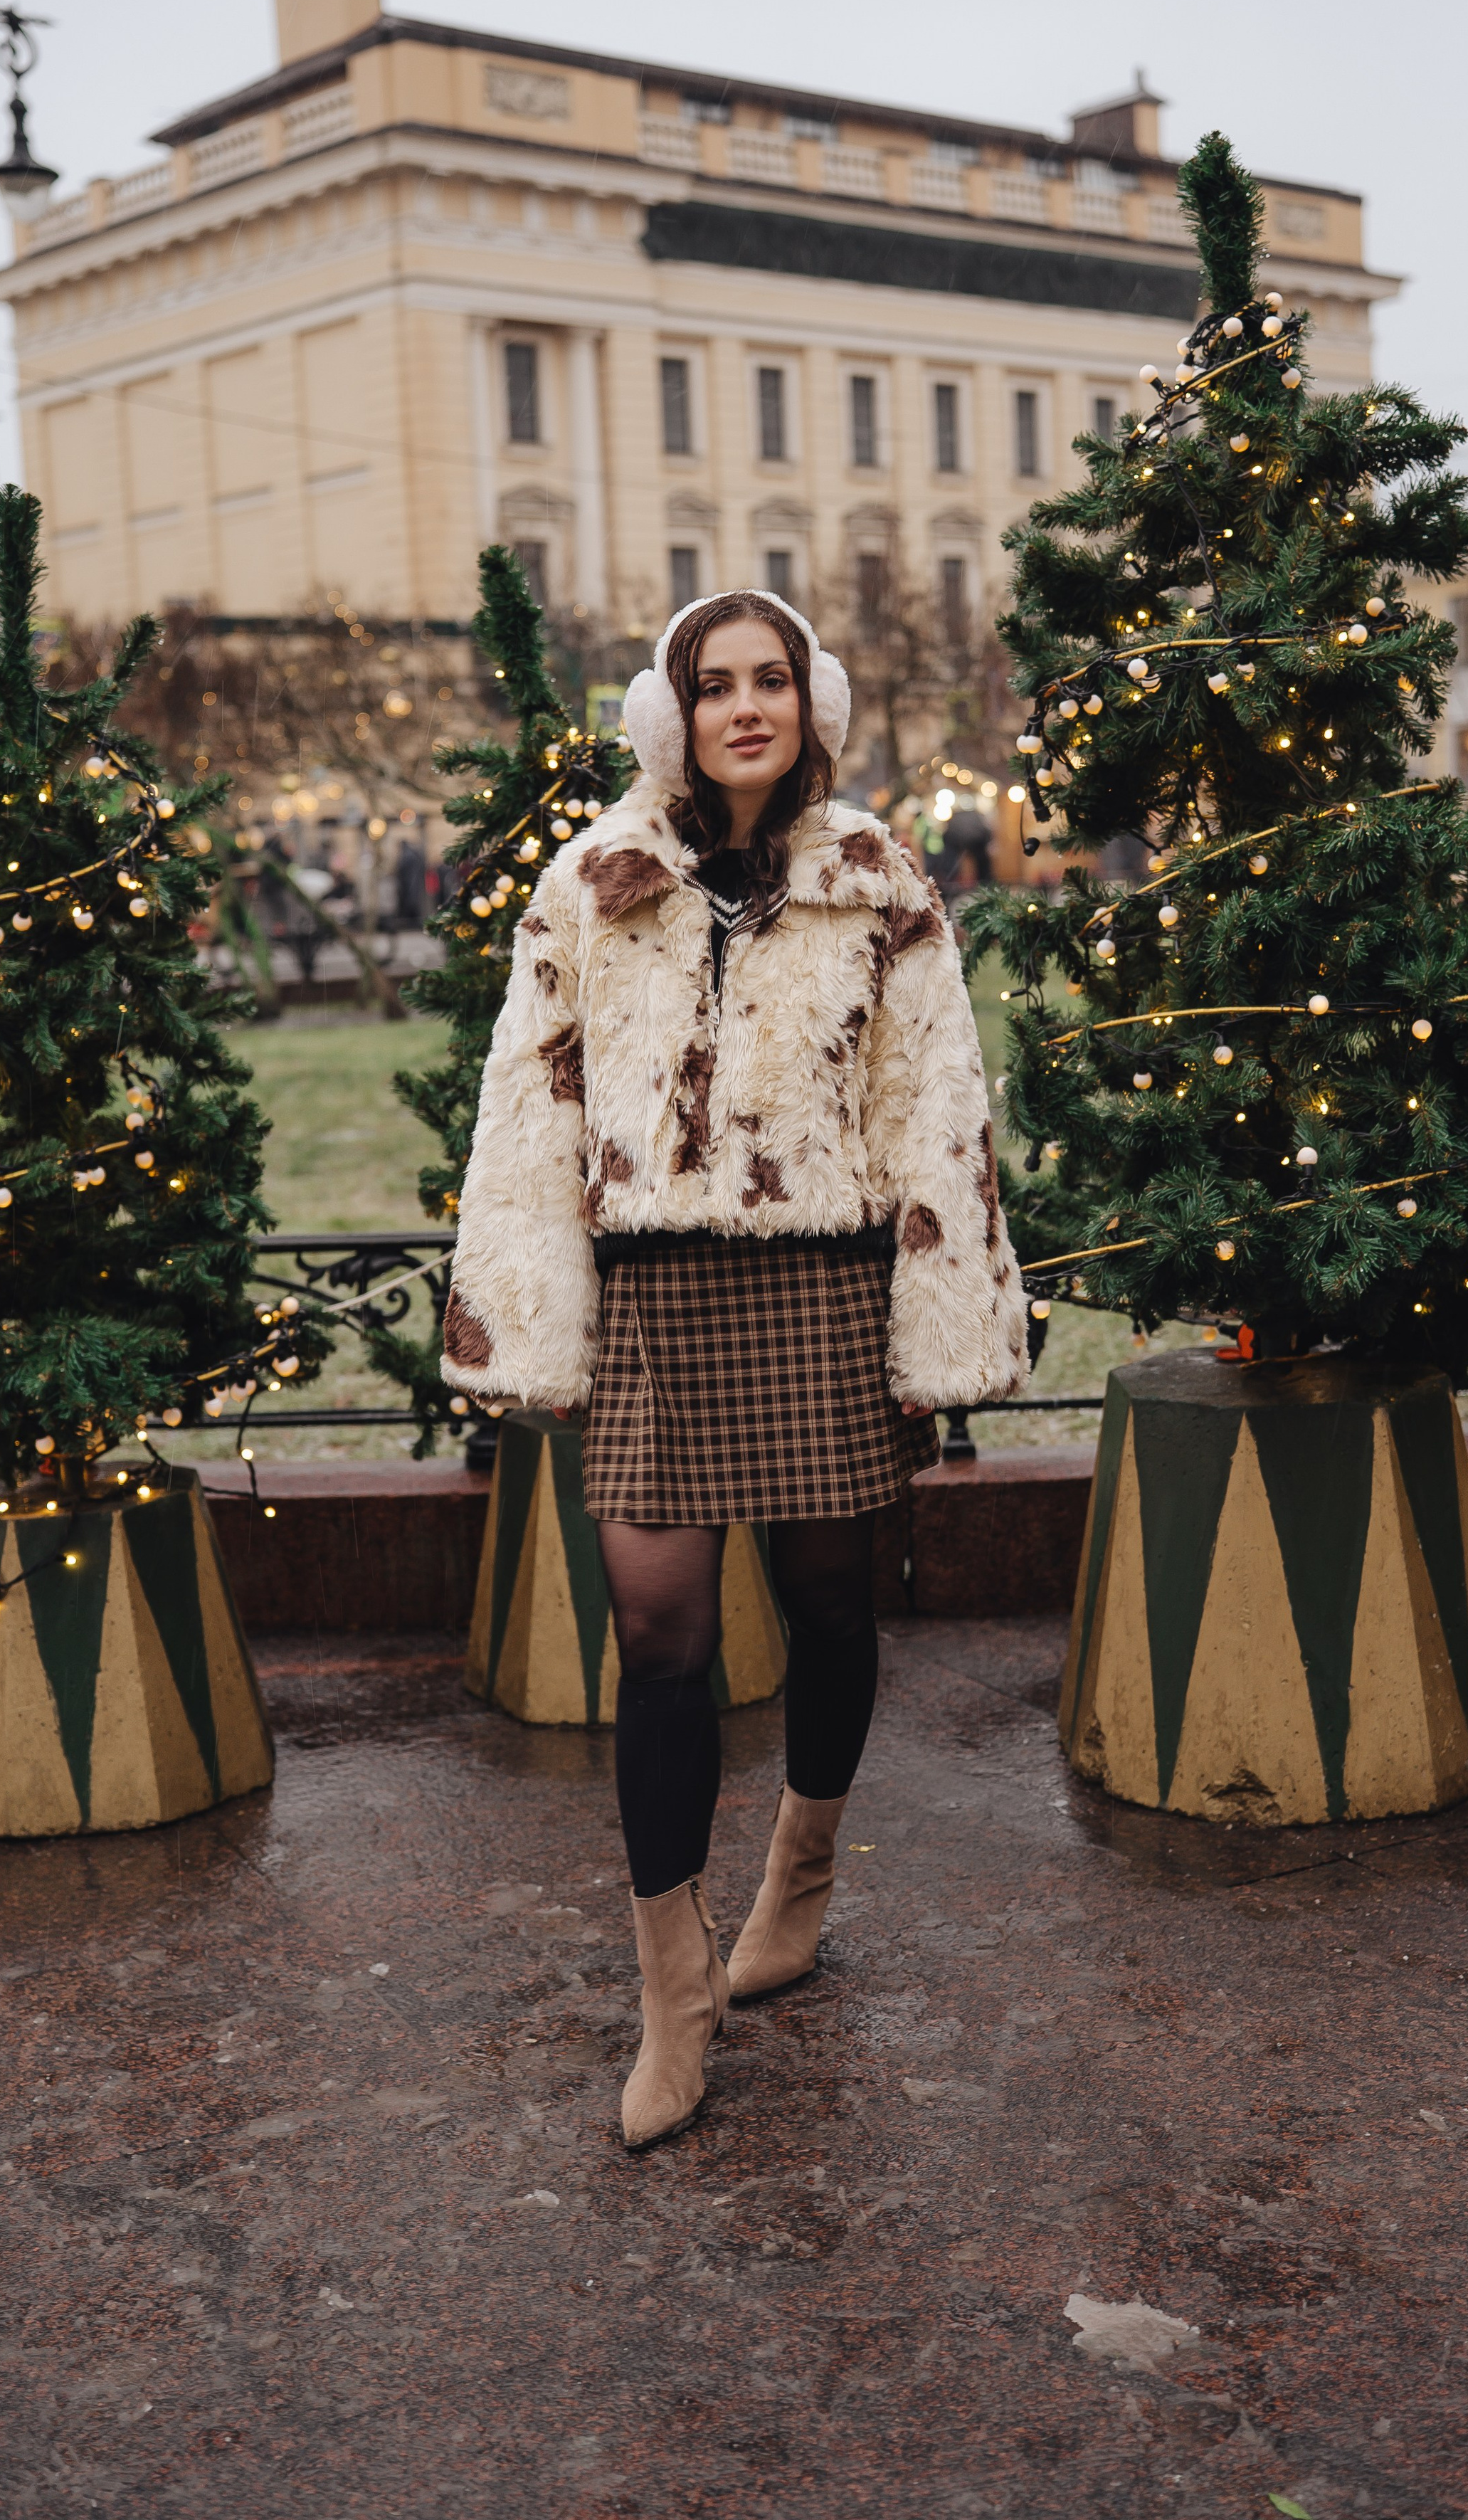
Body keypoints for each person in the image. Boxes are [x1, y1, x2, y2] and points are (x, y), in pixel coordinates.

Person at [443, 589, 1028, 2149]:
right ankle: (671, 1993)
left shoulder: (876, 879)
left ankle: (801, 1872)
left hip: (823, 1291)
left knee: (835, 1601)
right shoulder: (593, 882)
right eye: (718, 686)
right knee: (656, 1630)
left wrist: (938, 1315)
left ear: (810, 703)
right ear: (674, 713)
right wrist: (524, 1312)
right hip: (653, 1297)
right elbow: (529, 1110)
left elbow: (936, 1105)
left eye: (772, 681)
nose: (747, 707)